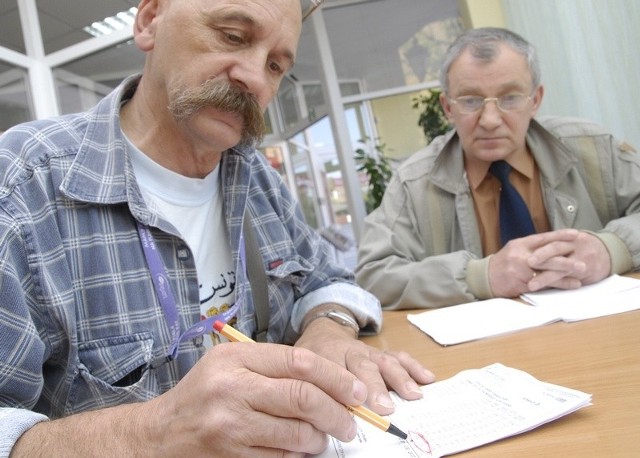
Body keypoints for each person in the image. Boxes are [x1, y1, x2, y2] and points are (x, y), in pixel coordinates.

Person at [0, 1, 436, 456]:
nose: (255, 79)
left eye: (275, 65)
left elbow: (328, 281)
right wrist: (154, 431)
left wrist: (328, 329)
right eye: (232, 36)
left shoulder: (256, 176)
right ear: (150, 21)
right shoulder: (27, 187)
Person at [356, 27, 640, 310]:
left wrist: (612, 249)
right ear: (448, 108)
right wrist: (480, 276)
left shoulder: (594, 148)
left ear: (535, 100)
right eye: (470, 101)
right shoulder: (413, 184)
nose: (490, 120)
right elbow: (373, 276)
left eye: (510, 98)